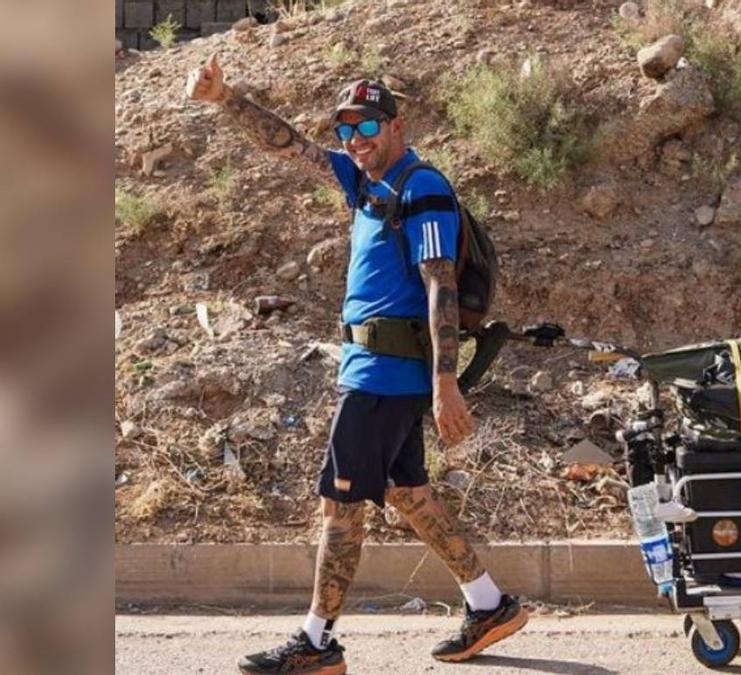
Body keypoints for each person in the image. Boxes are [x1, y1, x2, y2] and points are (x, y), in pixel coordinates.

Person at [185, 55, 527, 674]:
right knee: (409, 494)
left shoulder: (422, 186)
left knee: (339, 507)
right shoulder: (367, 183)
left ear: (398, 126)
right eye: (346, 131)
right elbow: (292, 147)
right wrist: (225, 98)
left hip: (384, 376)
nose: (354, 141)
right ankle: (490, 604)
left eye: (367, 127)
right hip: (372, 368)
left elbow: (439, 283)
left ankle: (316, 644)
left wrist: (445, 383)